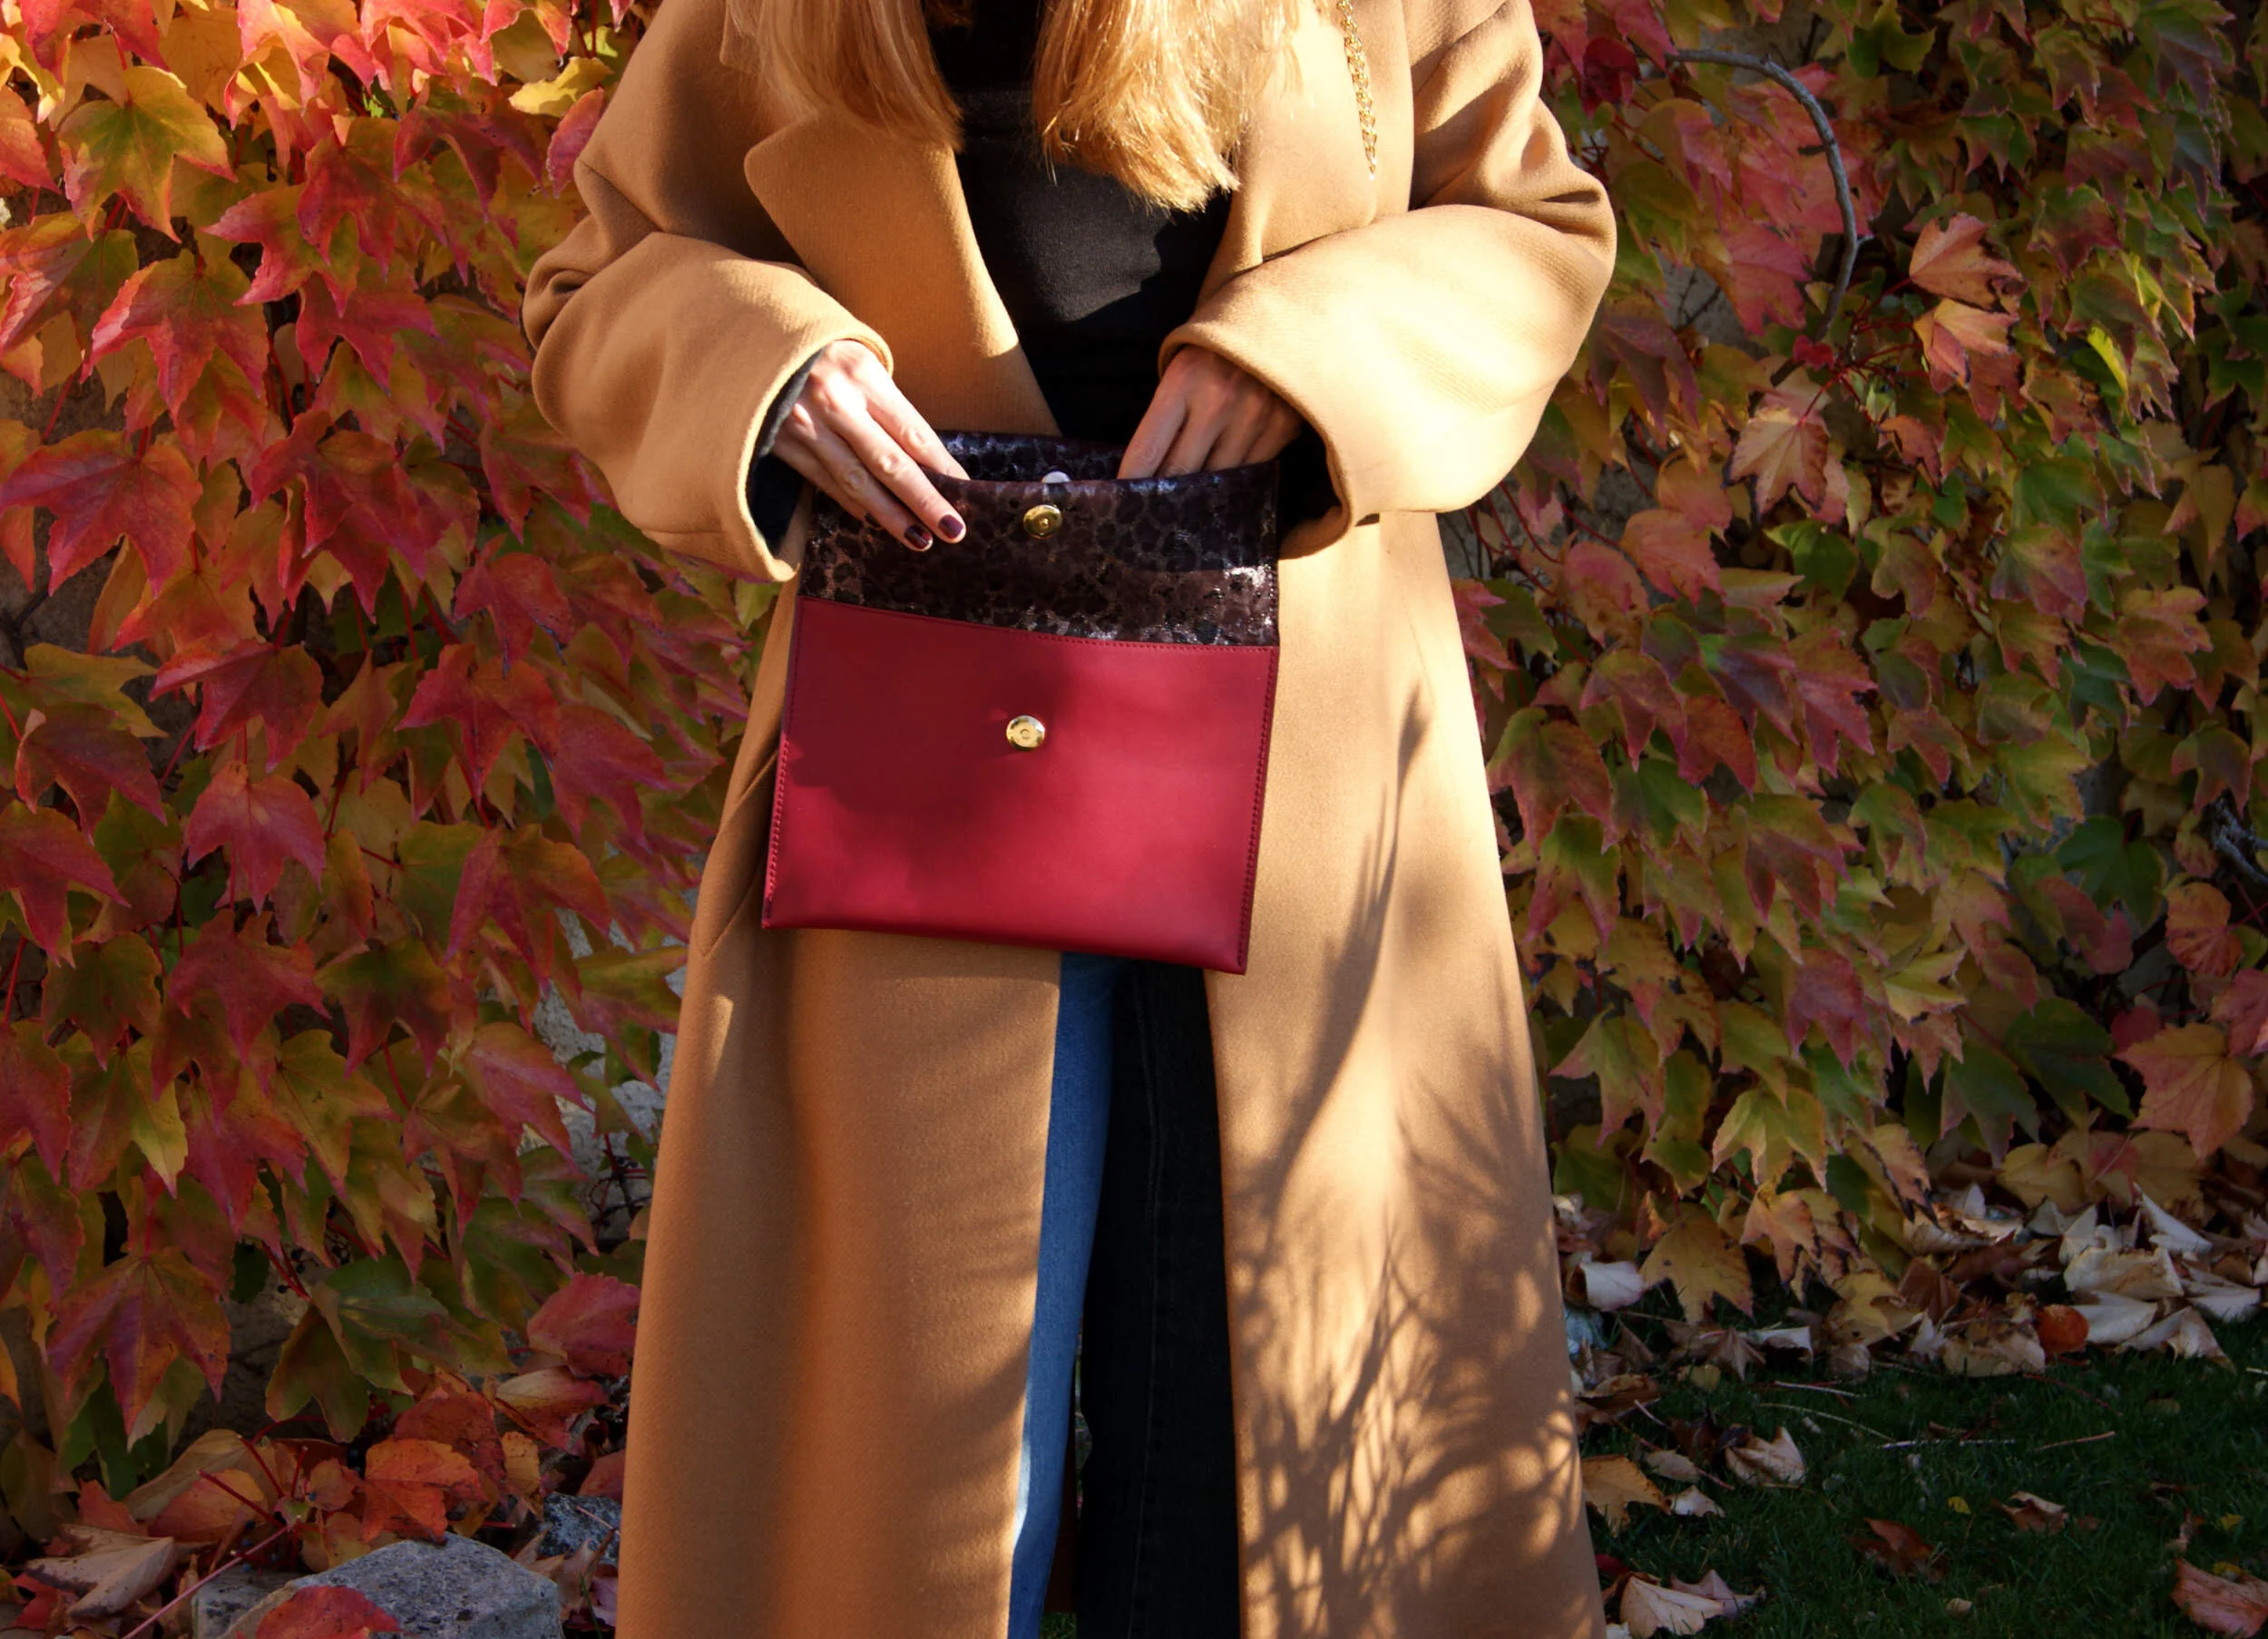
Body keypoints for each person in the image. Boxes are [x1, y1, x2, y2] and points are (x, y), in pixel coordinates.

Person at [520, 0, 1618, 1633]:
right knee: (938, 1470)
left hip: (1293, 776)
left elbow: (1535, 229)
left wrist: (1302, 354)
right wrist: (771, 364)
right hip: (920, 769)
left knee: (1252, 1436)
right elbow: (602, 275)